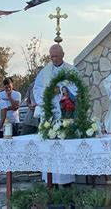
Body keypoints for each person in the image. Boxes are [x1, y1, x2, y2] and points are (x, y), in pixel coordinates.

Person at [33, 44, 77, 185]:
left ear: (63, 55)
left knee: (64, 150)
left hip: (65, 114)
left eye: (56, 56)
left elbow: (78, 89)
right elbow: (37, 89)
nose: (53, 59)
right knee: (49, 148)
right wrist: (48, 92)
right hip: (50, 116)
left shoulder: (71, 70)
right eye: (51, 56)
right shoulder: (44, 72)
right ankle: (50, 182)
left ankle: (67, 182)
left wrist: (62, 90)